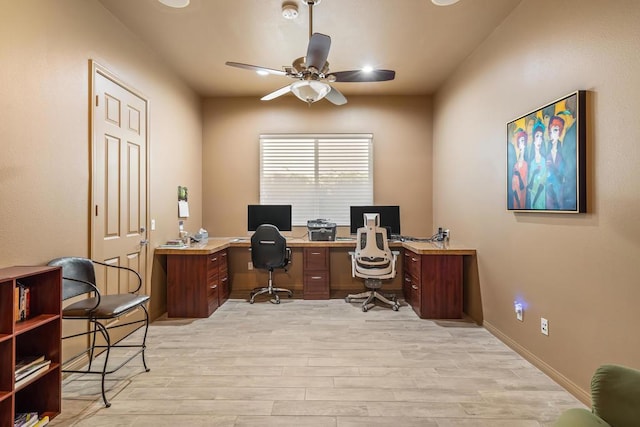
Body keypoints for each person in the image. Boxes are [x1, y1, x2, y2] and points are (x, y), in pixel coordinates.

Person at [545, 116, 566, 209]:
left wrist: (553, 168)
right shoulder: (546, 150)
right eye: (551, 130)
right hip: (548, 193)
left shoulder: (563, 151)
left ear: (560, 132)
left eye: (556, 130)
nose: (552, 133)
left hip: (559, 192)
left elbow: (563, 176)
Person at [527, 120, 547, 209]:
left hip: (542, 196)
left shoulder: (544, 161)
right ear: (534, 140)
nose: (539, 140)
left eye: (541, 137)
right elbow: (529, 186)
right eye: (537, 136)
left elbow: (544, 181)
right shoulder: (531, 163)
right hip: (533, 196)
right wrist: (534, 174)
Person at [511, 128, 528, 209]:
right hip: (516, 197)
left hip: (522, 197)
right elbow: (513, 184)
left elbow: (524, 186)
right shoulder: (516, 164)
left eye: (524, 140)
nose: (523, 143)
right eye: (521, 141)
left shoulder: (526, 164)